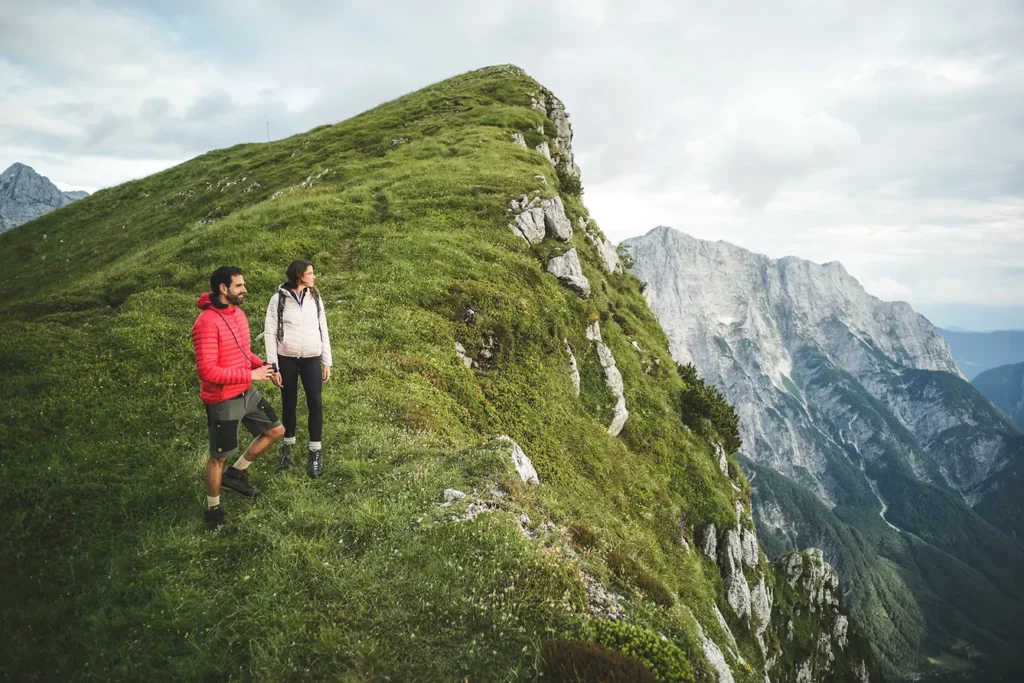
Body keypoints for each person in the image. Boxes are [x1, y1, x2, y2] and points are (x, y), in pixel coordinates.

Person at [192, 266, 285, 531]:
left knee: (275, 430)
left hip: (247, 391)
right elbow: (207, 371)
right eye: (239, 286)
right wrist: (250, 374)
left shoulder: (238, 315)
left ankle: (236, 474)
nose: (244, 290)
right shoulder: (206, 323)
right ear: (224, 288)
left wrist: (266, 367)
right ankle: (214, 511)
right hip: (222, 398)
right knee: (218, 457)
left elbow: (244, 352)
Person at [264, 259, 333, 479]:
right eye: (310, 273)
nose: (314, 276)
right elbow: (270, 332)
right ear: (298, 275)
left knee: (315, 403)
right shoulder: (278, 300)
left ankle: (315, 452)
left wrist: (327, 360)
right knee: (289, 403)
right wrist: (273, 366)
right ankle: (288, 447)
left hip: (312, 357)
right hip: (287, 358)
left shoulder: (315, 297)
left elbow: (323, 327)